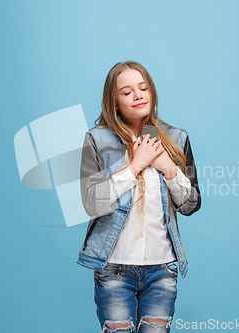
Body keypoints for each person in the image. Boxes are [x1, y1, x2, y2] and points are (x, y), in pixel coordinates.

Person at [77, 60, 201, 333]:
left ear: (152, 92)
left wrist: (168, 167)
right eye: (126, 91)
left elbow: (191, 204)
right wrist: (135, 165)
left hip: (162, 270)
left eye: (143, 88)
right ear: (114, 101)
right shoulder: (97, 139)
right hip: (114, 271)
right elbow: (91, 203)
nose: (137, 95)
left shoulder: (176, 138)